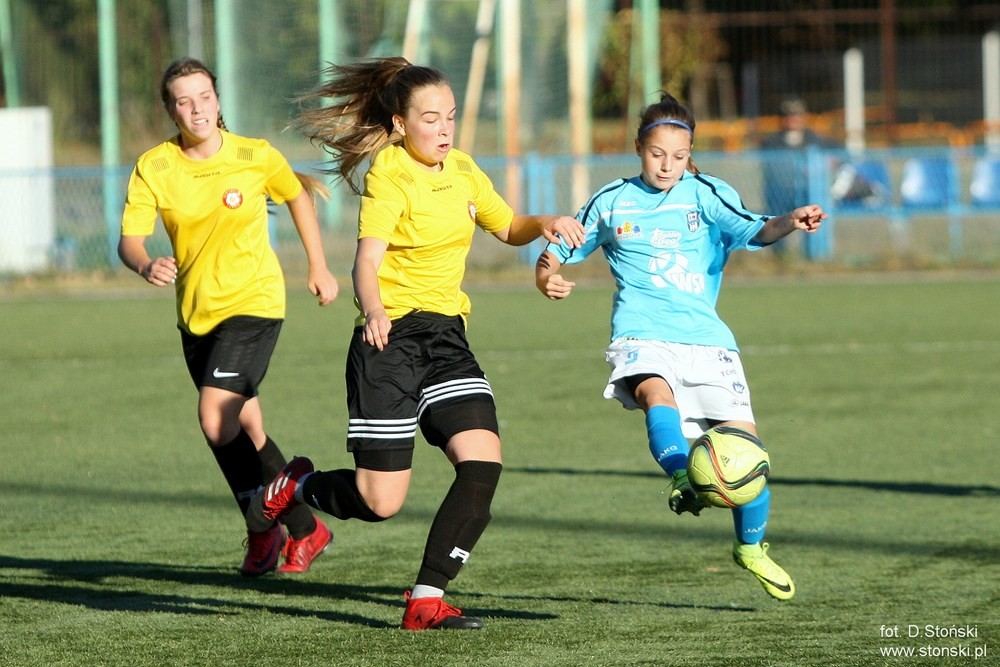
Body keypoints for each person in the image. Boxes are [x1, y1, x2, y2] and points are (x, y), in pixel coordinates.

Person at [244, 57, 585, 631]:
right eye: (431, 119)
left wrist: (544, 221)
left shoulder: (464, 170)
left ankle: (426, 598)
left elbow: (507, 227)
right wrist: (374, 308)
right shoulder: (390, 173)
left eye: (450, 116)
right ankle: (297, 485)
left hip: (447, 339)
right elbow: (366, 261)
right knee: (380, 502)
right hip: (390, 344)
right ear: (401, 125)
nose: (445, 129)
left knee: (482, 466)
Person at [535, 92, 826, 601]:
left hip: (707, 341)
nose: (667, 165)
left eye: (678, 155)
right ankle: (682, 478)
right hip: (640, 333)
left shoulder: (706, 193)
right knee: (655, 393)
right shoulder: (612, 201)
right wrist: (546, 277)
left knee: (747, 456)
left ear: (690, 154)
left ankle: (750, 547)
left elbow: (757, 229)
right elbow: (557, 248)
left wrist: (790, 220)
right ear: (638, 149)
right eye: (657, 154)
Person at [118, 57, 340, 577]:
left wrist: (318, 265)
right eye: (184, 101)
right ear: (171, 110)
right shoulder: (155, 166)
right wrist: (145, 263)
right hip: (196, 316)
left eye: (204, 96)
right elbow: (129, 240)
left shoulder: (253, 155)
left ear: (217, 100)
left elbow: (297, 196)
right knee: (247, 429)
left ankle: (262, 528)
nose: (196, 108)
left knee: (215, 417)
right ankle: (305, 529)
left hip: (255, 304)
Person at [760, 97, 834, 256]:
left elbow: (836, 156)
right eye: (787, 116)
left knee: (812, 223)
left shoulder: (814, 139)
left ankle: (814, 256)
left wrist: (820, 166)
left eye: (796, 115)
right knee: (777, 225)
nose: (792, 119)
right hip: (780, 190)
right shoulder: (771, 142)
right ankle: (781, 257)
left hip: (808, 190)